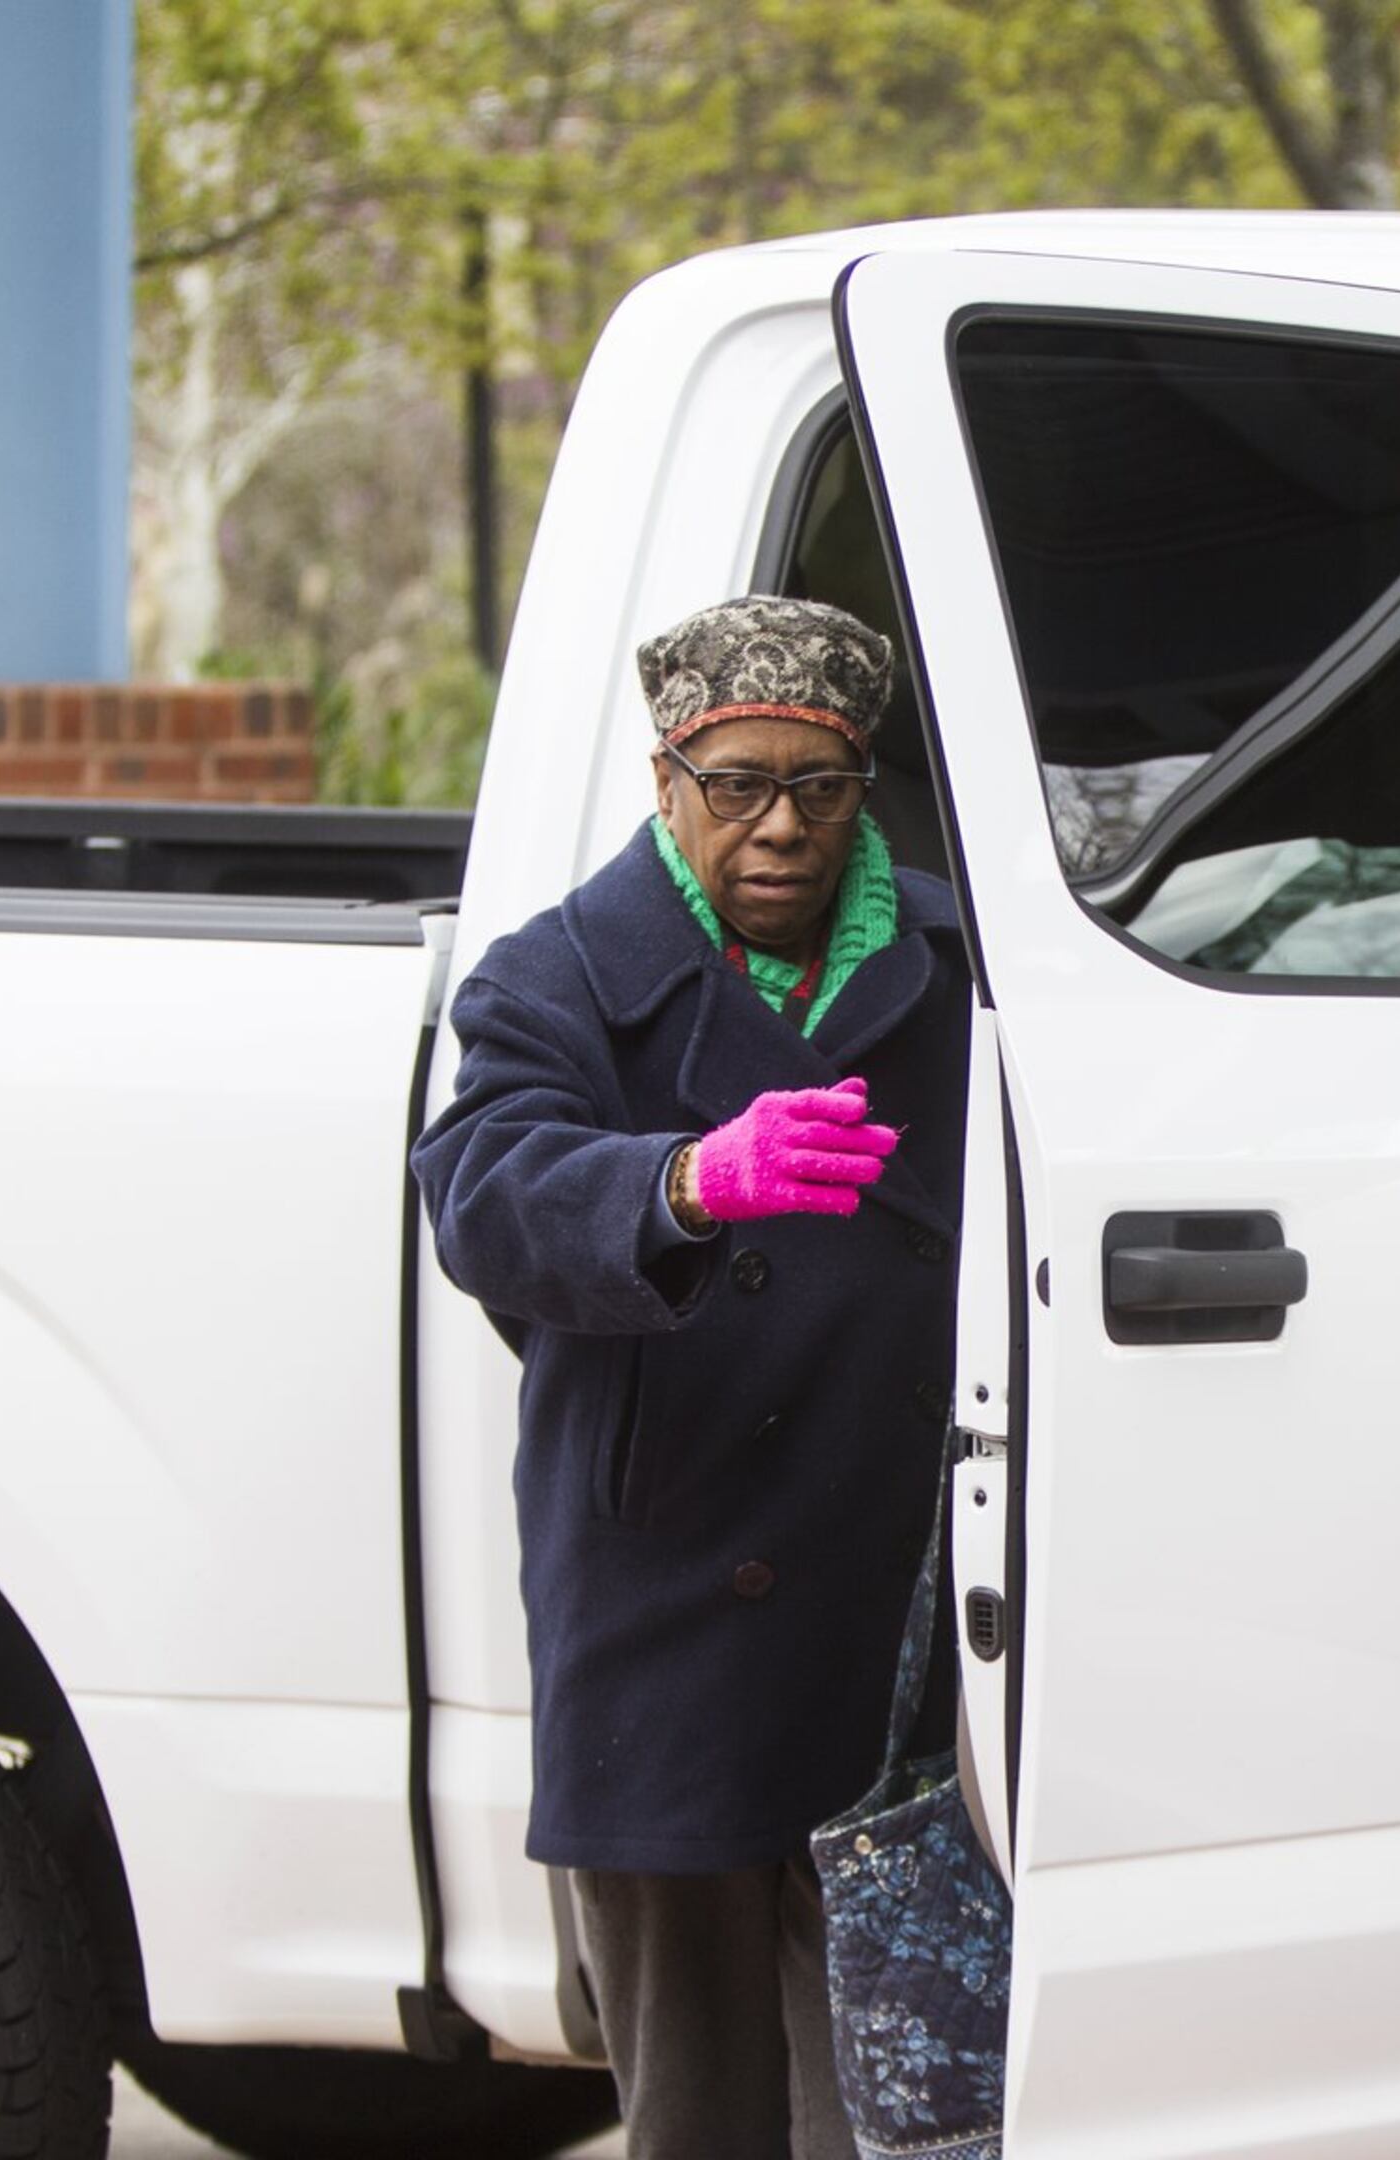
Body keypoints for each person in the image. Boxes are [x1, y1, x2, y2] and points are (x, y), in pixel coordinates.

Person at [411, 595, 969, 2160]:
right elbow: (480, 1196)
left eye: (820, 788)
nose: (780, 827)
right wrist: (679, 1185)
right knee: (699, 2118)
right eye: (738, 786)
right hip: (670, 1614)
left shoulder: (956, 961)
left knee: (897, 2102)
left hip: (904, 1623)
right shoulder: (559, 977)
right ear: (668, 781)